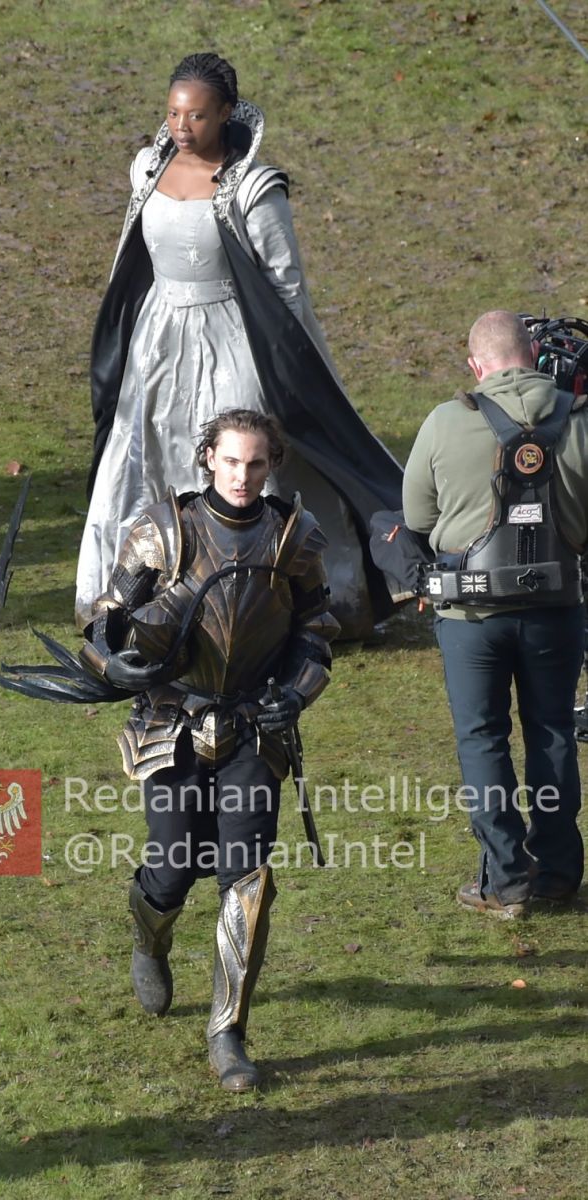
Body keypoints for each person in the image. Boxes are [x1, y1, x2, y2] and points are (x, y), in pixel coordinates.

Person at [78, 51, 403, 639]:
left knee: (244, 457)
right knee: (146, 458)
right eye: (174, 113)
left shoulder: (254, 188)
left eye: (197, 116)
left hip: (232, 339)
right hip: (158, 342)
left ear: (226, 113)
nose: (182, 127)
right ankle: (144, 597)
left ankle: (269, 606)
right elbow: (134, 255)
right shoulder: (146, 168)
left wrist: (292, 370)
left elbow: (287, 287)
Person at [80, 409, 339, 1090]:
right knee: (172, 867)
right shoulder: (164, 531)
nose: (242, 476)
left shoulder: (294, 537)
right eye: (230, 461)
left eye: (255, 463)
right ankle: (149, 938)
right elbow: (103, 619)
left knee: (246, 881)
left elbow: (317, 630)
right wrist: (113, 662)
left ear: (272, 464)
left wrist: (296, 693)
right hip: (171, 721)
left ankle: (228, 1033)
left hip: (253, 726)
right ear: (208, 459)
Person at [403, 310, 588, 918]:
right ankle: (557, 874)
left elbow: (418, 518)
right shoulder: (579, 419)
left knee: (483, 739)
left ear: (476, 367)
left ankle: (505, 882)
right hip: (556, 610)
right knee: (552, 732)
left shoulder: (444, 421)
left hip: (470, 618)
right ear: (533, 355)